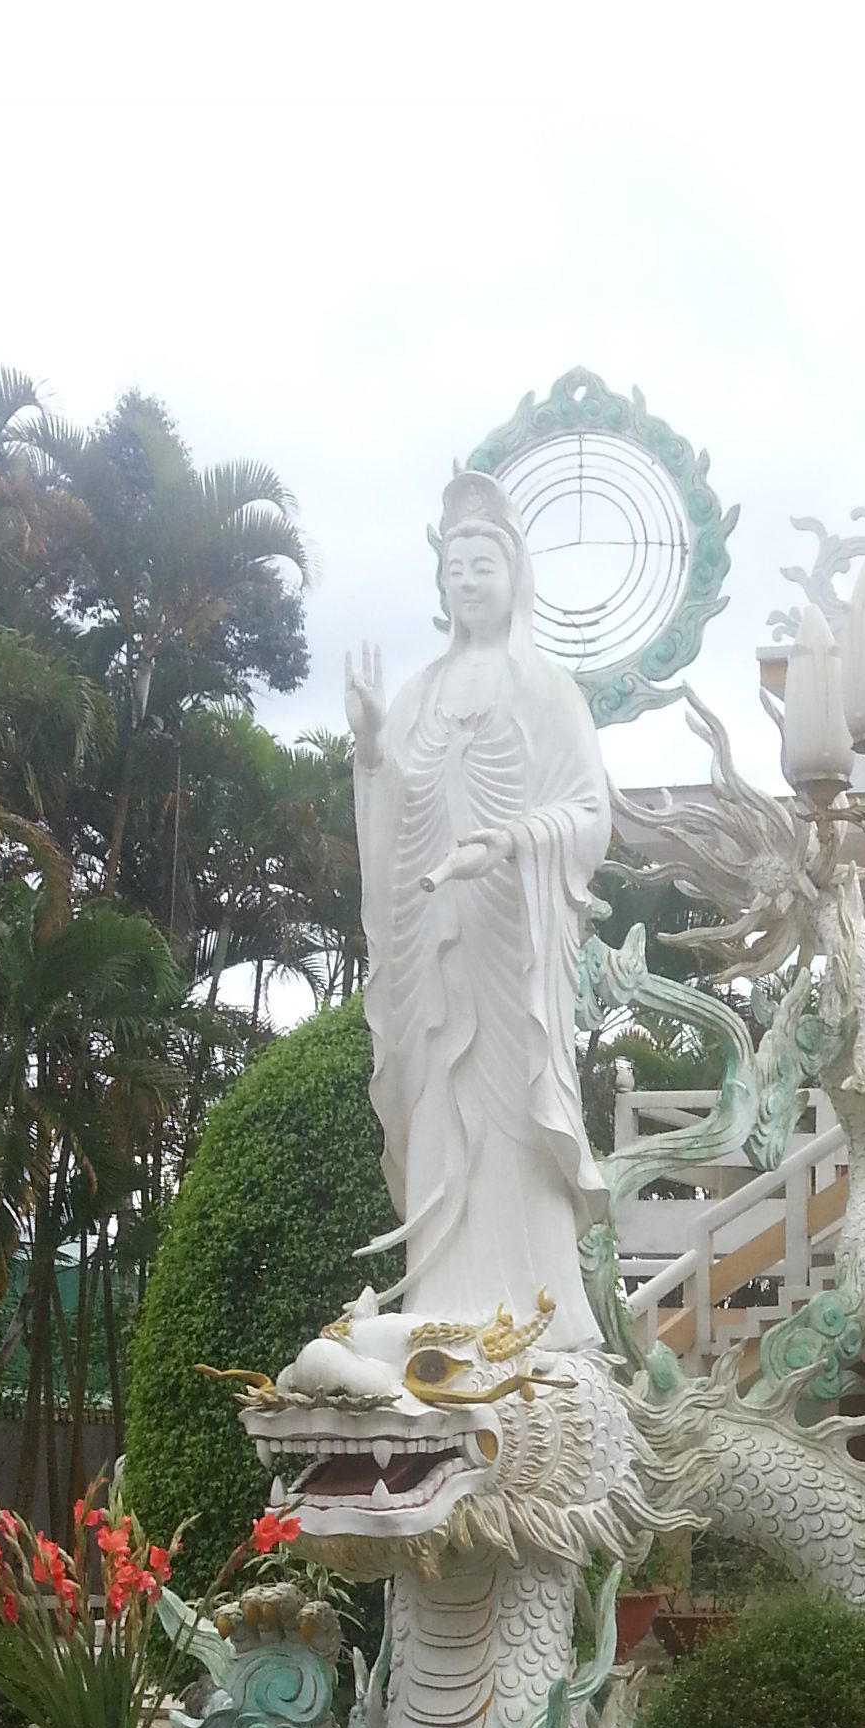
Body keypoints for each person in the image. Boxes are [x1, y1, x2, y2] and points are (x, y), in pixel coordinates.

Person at [344, 469, 610, 1351]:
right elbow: (395, 813)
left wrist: (511, 842)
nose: (466, 580)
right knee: (437, 1106)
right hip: (432, 946)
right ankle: (440, 1303)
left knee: (512, 1113)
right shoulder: (419, 693)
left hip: (511, 948)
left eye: (483, 564)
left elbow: (590, 814)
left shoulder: (546, 690)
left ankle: (539, 1314)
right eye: (454, 566)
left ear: (515, 574)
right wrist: (371, 747)